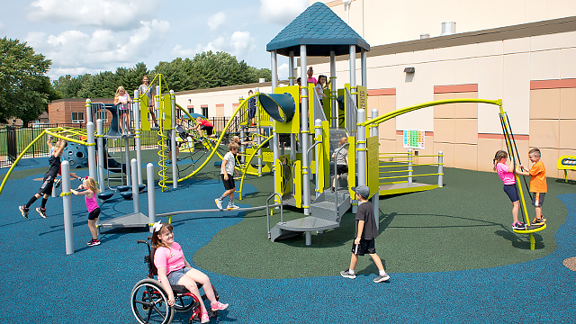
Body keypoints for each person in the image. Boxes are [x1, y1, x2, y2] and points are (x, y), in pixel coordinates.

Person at [152, 222, 229, 324]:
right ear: (159, 237)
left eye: (171, 232)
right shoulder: (161, 252)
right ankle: (202, 311)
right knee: (192, 284)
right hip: (171, 274)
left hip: (183, 269)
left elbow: (184, 261)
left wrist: (192, 271)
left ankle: (214, 304)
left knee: (205, 278)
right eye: (167, 234)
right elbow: (162, 275)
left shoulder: (176, 245)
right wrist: (170, 294)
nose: (171, 235)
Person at [340, 185, 390, 283]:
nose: (355, 194)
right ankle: (383, 273)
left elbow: (361, 222)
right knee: (372, 253)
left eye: (356, 193)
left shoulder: (361, 208)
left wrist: (358, 237)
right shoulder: (369, 205)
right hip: (370, 235)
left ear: (359, 195)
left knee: (355, 253)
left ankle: (351, 272)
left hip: (362, 236)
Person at [19, 137, 67, 219]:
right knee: (40, 193)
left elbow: (62, 146)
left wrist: (63, 138)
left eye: (62, 152)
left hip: (52, 177)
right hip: (49, 177)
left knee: (47, 194)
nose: (61, 153)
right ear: (56, 151)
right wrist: (64, 139)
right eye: (60, 151)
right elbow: (61, 146)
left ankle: (42, 208)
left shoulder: (58, 158)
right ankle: (25, 207)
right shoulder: (54, 157)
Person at [493, 150, 524, 229]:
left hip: (511, 185)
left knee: (516, 204)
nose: (506, 160)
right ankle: (515, 222)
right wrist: (512, 160)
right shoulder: (500, 165)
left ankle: (516, 220)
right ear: (502, 158)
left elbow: (511, 170)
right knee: (516, 204)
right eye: (506, 158)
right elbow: (510, 170)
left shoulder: (501, 164)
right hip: (509, 186)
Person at [516, 148, 547, 225]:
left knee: (537, 204)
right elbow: (531, 171)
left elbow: (529, 174)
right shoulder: (538, 164)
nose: (530, 159)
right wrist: (524, 167)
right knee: (538, 204)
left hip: (538, 188)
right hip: (539, 188)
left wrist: (518, 172)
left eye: (531, 157)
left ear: (537, 157)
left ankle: (538, 219)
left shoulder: (538, 165)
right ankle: (540, 216)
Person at [70, 176, 101, 246]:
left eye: (84, 184)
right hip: (97, 209)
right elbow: (83, 187)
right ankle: (95, 239)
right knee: (93, 225)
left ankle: (95, 240)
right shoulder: (92, 190)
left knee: (90, 225)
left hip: (93, 211)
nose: (83, 185)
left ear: (88, 185)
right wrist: (81, 186)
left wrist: (71, 190)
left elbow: (77, 194)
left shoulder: (88, 191)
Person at [215, 142, 240, 211]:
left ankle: (230, 204)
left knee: (233, 188)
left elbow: (231, 165)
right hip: (226, 174)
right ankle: (219, 199)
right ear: (232, 149)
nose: (237, 151)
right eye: (236, 149)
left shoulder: (232, 155)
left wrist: (235, 171)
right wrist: (225, 174)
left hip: (230, 174)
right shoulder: (228, 155)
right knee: (230, 190)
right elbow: (223, 164)